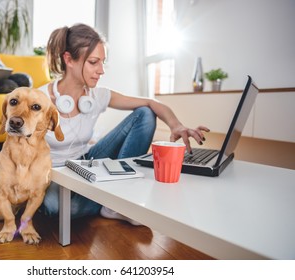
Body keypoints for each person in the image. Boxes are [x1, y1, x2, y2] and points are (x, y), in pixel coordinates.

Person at [38, 23, 210, 224]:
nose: (101, 70)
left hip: (85, 161)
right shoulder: (38, 99)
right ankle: (101, 198)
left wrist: (176, 125)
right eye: (94, 62)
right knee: (62, 208)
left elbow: (150, 103)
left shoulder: (97, 95)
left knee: (145, 114)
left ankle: (115, 203)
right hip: (53, 174)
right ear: (69, 59)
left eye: (103, 62)